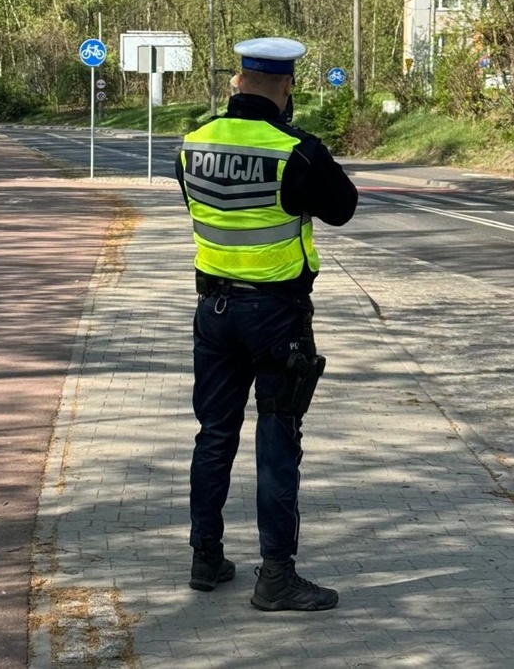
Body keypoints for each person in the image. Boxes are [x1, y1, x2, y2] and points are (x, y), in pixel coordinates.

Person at [174, 37, 358, 611]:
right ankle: (276, 575)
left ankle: (206, 558)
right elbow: (343, 207)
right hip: (276, 317)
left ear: (236, 82)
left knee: (213, 434)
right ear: (285, 88)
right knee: (277, 441)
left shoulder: (192, 145)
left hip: (213, 312)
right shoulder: (296, 151)